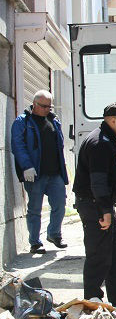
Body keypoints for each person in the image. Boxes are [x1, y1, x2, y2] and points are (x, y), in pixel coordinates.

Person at [73, 103, 116, 309]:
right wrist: (105, 210)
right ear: (112, 120)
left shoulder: (105, 139)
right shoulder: (100, 143)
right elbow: (98, 182)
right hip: (95, 204)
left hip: (99, 203)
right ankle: (92, 301)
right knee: (98, 255)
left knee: (115, 251)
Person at [10, 90, 69, 254]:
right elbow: (18, 145)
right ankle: (35, 242)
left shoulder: (53, 120)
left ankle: (54, 234)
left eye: (49, 106)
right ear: (34, 104)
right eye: (44, 106)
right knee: (35, 209)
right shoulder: (23, 121)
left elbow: (59, 145)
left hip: (55, 173)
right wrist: (26, 166)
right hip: (35, 174)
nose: (47, 110)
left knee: (60, 204)